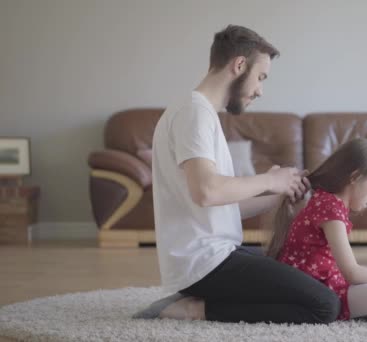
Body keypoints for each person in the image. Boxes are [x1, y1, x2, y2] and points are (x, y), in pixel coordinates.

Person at [133, 25, 340, 324]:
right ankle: (193, 309)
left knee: (300, 274)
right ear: (239, 65)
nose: (260, 90)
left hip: (216, 255)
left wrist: (276, 196)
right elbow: (207, 192)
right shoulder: (194, 114)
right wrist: (269, 180)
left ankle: (205, 298)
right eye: (261, 77)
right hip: (205, 264)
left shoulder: (201, 114)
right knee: (324, 306)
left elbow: (220, 205)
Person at [266, 138, 367, 322]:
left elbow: (342, 269)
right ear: (355, 177)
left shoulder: (327, 201)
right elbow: (352, 273)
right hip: (323, 291)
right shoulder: (330, 210)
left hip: (331, 280)